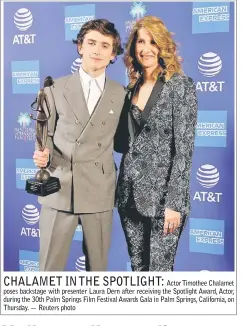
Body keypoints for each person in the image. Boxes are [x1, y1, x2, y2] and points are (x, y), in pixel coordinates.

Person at [33, 19, 126, 271]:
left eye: (105, 46)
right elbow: (45, 135)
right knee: (48, 272)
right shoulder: (55, 88)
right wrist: (43, 154)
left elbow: (123, 142)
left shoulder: (122, 94)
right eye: (92, 42)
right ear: (80, 47)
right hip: (60, 187)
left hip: (99, 189)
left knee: (98, 272)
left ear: (113, 54)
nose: (97, 50)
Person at [114, 16, 198, 272]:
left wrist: (174, 204)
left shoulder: (179, 86)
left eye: (153, 42)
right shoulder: (131, 88)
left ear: (163, 46)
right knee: (139, 271)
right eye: (141, 41)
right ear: (133, 47)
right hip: (129, 195)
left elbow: (184, 150)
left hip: (164, 201)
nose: (146, 48)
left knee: (159, 273)